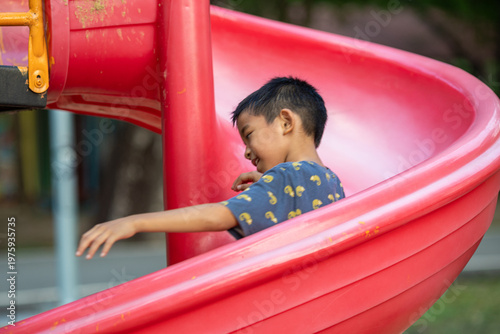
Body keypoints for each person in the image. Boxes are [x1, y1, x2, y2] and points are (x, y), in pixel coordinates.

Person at [76, 77, 345, 259]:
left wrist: (135, 221)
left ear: (286, 122)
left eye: (249, 134)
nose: (247, 151)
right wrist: (269, 184)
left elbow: (221, 215)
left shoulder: (285, 178)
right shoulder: (331, 181)